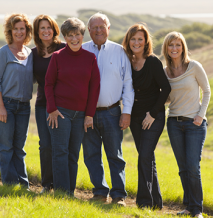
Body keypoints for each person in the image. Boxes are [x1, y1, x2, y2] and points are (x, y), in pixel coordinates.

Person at [82, 12, 134, 207]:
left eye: (102, 26)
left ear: (108, 29)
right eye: (94, 27)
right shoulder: (82, 50)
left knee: (115, 155)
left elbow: (128, 83)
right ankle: (100, 192)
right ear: (88, 31)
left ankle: (119, 195)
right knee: (91, 154)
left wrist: (126, 111)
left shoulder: (119, 51)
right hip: (87, 114)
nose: (98, 30)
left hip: (112, 112)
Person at [45, 17, 100, 195]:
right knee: (60, 152)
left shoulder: (90, 58)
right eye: (70, 35)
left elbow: (94, 88)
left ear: (82, 36)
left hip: (81, 114)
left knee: (73, 154)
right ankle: (62, 194)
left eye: (77, 34)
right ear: (65, 37)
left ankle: (69, 192)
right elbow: (48, 84)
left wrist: (89, 114)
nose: (74, 39)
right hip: (61, 113)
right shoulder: (57, 57)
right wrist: (52, 109)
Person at [122, 24, 171, 209]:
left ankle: (143, 203)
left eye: (140, 39)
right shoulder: (126, 61)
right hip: (135, 118)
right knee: (147, 158)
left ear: (146, 41)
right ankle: (156, 203)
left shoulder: (152, 62)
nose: (136, 42)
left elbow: (166, 88)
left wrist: (152, 114)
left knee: (144, 156)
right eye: (133, 39)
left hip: (153, 116)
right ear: (128, 41)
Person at [162, 32, 210, 218]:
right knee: (183, 168)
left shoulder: (194, 66)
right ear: (166, 48)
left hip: (194, 124)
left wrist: (200, 115)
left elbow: (206, 91)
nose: (174, 48)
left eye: (178, 45)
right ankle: (188, 207)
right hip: (174, 123)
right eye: (170, 45)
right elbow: (167, 98)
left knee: (193, 167)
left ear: (183, 47)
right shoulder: (165, 72)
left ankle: (197, 209)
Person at [0, 13, 33, 188]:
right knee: (6, 147)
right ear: (10, 31)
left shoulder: (30, 53)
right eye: (15, 29)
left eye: (22, 28)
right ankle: (9, 184)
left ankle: (23, 185)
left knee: (19, 148)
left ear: (27, 30)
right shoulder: (3, 53)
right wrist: (0, 106)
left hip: (24, 107)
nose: (18, 32)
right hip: (5, 105)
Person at [32, 14, 66, 194]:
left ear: (54, 29)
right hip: (41, 105)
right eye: (42, 28)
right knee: (45, 145)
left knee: (60, 145)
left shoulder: (64, 48)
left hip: (63, 106)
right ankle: (47, 184)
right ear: (37, 32)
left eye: (48, 27)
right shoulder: (33, 53)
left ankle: (62, 185)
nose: (46, 31)